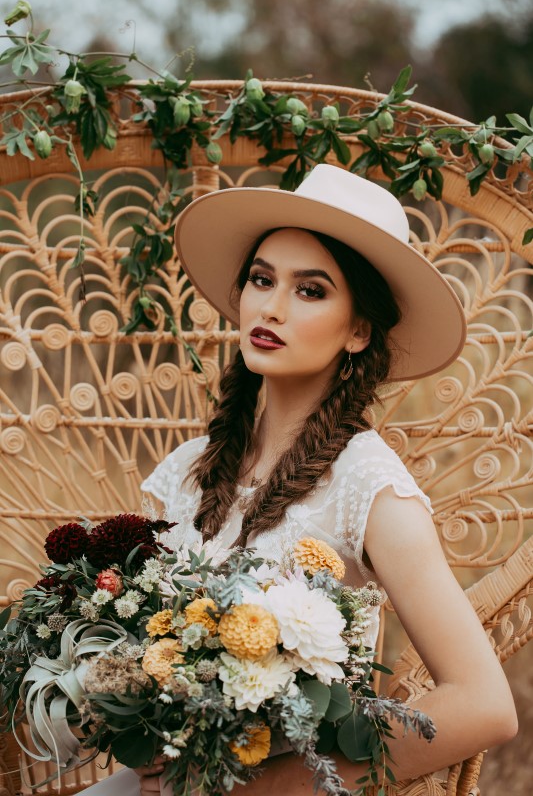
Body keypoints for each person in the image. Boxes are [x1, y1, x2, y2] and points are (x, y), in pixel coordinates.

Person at [82, 165, 518, 796]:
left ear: (359, 330)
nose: (273, 307)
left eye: (310, 291)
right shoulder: (186, 471)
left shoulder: (367, 485)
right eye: (262, 279)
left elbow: (484, 704)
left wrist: (265, 786)